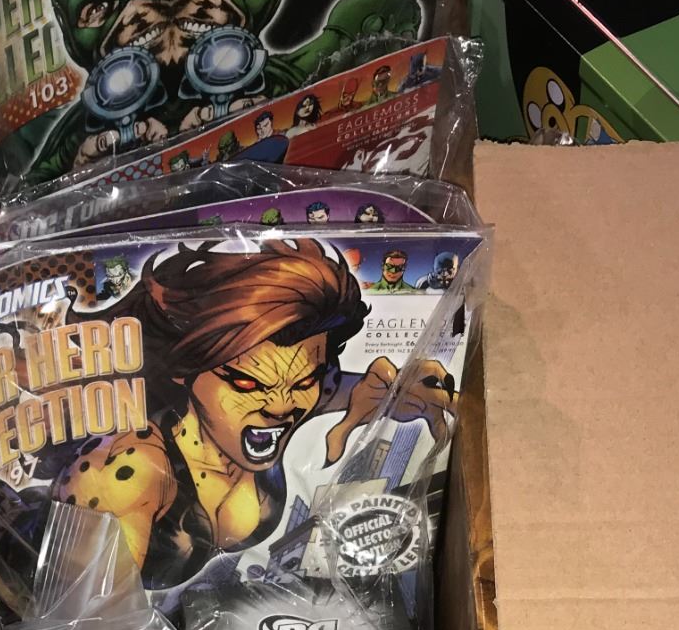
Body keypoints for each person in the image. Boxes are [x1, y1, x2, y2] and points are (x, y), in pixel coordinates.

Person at [47, 239, 451, 586]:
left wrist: (396, 391)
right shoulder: (130, 469)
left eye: (303, 382)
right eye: (246, 384)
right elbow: (82, 627)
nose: (280, 406)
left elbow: (334, 388)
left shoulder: (283, 405)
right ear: (185, 373)